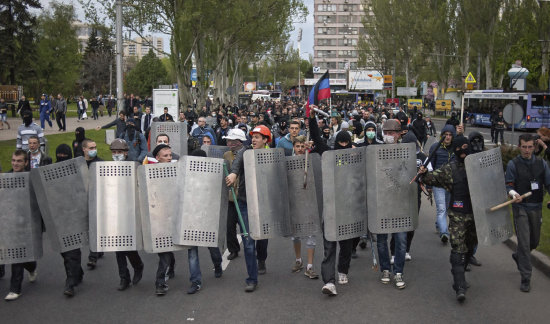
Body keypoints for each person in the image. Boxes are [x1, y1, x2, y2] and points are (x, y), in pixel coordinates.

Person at [419, 135, 477, 302]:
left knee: (470, 245)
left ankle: (461, 271)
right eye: (459, 149)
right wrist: (423, 174)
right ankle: (459, 285)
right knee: (458, 247)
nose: (463, 151)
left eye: (465, 147)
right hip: (458, 214)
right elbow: (432, 178)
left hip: (476, 214)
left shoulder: (477, 166)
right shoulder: (450, 169)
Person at [225, 125, 273, 292]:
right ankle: (252, 279)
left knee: (263, 237)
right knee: (248, 242)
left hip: (265, 203)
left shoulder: (272, 154)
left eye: (258, 137)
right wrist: (233, 173)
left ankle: (262, 259)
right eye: (252, 136)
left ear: (266, 140)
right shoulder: (245, 152)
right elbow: (237, 163)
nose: (254, 139)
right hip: (245, 203)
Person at [505, 134, 550, 293]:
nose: (527, 150)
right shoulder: (513, 164)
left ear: (534, 147)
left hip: (536, 207)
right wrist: (513, 193)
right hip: (521, 207)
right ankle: (526, 277)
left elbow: (549, 183)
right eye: (524, 147)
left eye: (530, 147)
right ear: (519, 147)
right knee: (524, 242)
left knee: (534, 241)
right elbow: (508, 184)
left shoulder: (541, 164)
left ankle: (519, 256)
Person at [185, 149, 224, 295]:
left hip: (206, 216)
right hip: (190, 217)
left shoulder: (211, 175)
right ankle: (196, 281)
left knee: (212, 247)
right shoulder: (186, 175)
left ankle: (218, 264)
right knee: (192, 252)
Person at [108, 139, 145, 290]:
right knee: (118, 247)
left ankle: (138, 265)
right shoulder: (107, 168)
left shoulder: (134, 167)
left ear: (126, 153)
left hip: (130, 210)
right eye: (114, 152)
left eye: (120, 152)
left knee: (129, 246)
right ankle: (124, 277)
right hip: (115, 211)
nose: (117, 155)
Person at [376, 119, 408, 290]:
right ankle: (385, 269)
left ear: (398, 134)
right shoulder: (377, 152)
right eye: (386, 133)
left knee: (401, 240)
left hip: (400, 202)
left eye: (391, 133)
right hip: (382, 202)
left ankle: (398, 272)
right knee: (381, 239)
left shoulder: (406, 151)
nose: (388, 136)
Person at [4, 150, 39, 301]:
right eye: (13, 160)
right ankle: (32, 266)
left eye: (19, 161)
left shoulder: (32, 179)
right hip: (8, 221)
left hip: (25, 223)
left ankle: (15, 289)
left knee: (16, 253)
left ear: (26, 163)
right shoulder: (5, 178)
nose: (15, 163)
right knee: (18, 254)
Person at [54, 144, 85, 297]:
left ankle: (70, 282)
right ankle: (77, 272)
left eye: (64, 156)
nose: (61, 158)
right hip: (58, 217)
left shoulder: (76, 170)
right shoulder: (51, 172)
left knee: (72, 251)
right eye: (59, 156)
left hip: (73, 215)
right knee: (64, 252)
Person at [289, 135, 319, 279]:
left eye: (302, 146)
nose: (300, 149)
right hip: (294, 201)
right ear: (293, 147)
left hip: (310, 200)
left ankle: (310, 266)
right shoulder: (288, 161)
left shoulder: (311, 159)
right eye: (297, 146)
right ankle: (298, 260)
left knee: (311, 234)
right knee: (295, 235)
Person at [152, 144, 177, 296]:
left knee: (167, 249)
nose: (169, 158)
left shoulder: (176, 171)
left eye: (170, 155)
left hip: (171, 216)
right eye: (165, 156)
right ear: (157, 158)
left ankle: (165, 276)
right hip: (157, 217)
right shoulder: (150, 173)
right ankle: (164, 277)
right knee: (164, 250)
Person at [223, 129, 247, 261]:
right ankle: (233, 249)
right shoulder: (226, 155)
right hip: (231, 197)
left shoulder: (247, 154)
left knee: (246, 226)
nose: (228, 142)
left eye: (231, 140)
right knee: (229, 225)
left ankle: (251, 247)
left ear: (238, 142)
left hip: (244, 196)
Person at [429, 125, 456, 243]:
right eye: (446, 134)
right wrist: (429, 185)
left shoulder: (456, 149)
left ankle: (438, 223)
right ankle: (444, 233)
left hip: (451, 185)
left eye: (450, 135)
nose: (448, 137)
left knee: (447, 208)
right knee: (441, 208)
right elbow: (430, 167)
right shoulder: (435, 147)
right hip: (438, 184)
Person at [82, 139, 105, 267]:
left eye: (95, 147)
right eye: (91, 148)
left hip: (97, 199)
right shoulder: (79, 164)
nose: (94, 150)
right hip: (83, 199)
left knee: (94, 227)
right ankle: (98, 250)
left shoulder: (100, 163)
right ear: (84, 149)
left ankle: (93, 257)